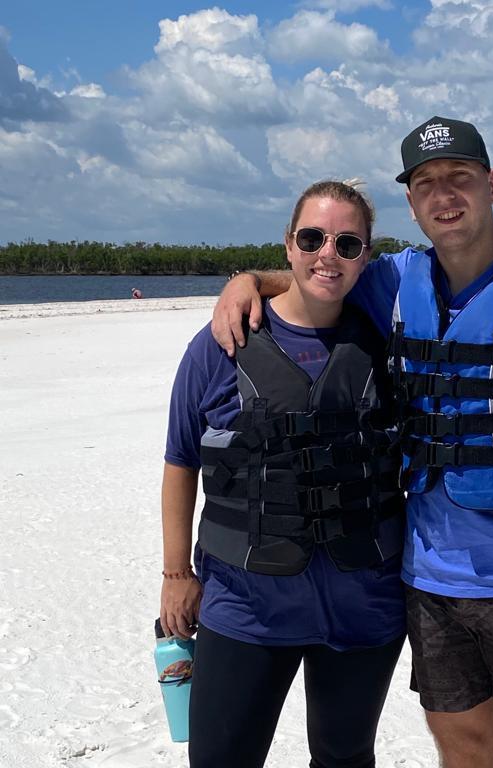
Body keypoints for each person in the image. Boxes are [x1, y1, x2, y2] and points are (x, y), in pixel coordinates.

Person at [211, 117, 493, 768]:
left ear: (491, 185)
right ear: (411, 201)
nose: (444, 195)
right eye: (426, 183)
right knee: (461, 745)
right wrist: (249, 283)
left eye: (460, 178)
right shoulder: (395, 280)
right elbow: (320, 275)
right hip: (427, 581)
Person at [160, 180, 407, 768]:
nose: (329, 253)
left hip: (363, 602)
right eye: (313, 237)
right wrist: (176, 573)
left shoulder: (386, 345)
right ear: (289, 245)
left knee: (345, 755)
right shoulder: (222, 342)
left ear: (365, 258)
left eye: (348, 244)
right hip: (246, 602)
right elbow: (180, 460)